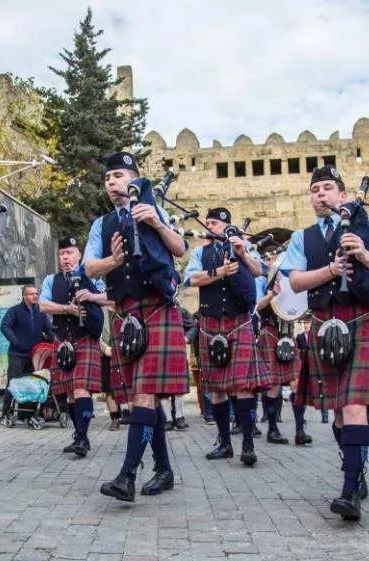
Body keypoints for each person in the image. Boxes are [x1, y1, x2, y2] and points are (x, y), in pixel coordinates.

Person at [281, 165, 369, 522]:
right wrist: (331, 271)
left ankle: (349, 491)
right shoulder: (303, 237)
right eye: (315, 190)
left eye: (328, 188)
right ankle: (355, 469)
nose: (321, 194)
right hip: (324, 323)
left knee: (356, 404)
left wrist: (361, 252)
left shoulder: (361, 227)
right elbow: (296, 283)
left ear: (342, 195)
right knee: (342, 412)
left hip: (360, 320)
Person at [84, 151, 190, 501]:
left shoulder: (153, 208)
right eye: (107, 177)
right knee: (144, 396)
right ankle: (163, 469)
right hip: (126, 314)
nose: (112, 182)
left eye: (118, 175)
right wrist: (113, 261)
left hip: (158, 307)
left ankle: (127, 475)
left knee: (144, 394)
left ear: (134, 179)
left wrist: (158, 224)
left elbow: (180, 248)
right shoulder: (102, 225)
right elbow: (88, 269)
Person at [184, 207, 268, 466]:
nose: (211, 227)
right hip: (210, 323)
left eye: (216, 223)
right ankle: (224, 442)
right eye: (208, 223)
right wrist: (220, 272)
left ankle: (248, 444)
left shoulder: (244, 247)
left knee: (242, 387)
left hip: (238, 321)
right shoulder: (200, 252)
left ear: (228, 226)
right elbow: (190, 280)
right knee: (217, 388)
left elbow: (258, 271)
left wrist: (243, 252)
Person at [39, 237, 110, 456]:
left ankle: (82, 437)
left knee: (80, 389)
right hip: (62, 340)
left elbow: (111, 298)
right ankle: (80, 436)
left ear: (79, 255)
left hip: (85, 338)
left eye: (69, 253)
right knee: (69, 392)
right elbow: (43, 305)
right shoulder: (52, 280)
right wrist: (67, 309)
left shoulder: (92, 275)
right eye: (62, 254)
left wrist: (91, 296)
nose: (65, 257)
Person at [255, 251, 309, 445]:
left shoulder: (291, 280)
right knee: (274, 385)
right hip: (269, 333)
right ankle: (272, 429)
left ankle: (300, 430)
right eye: (268, 258)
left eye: (274, 259)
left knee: (297, 383)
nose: (272, 262)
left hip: (288, 333)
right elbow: (255, 307)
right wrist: (270, 296)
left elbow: (300, 305)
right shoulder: (261, 281)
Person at [0, 283, 52, 426]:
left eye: (36, 293)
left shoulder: (41, 312)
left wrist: (55, 343)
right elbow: (4, 326)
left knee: (32, 386)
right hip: (17, 354)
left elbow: (49, 331)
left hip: (34, 356)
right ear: (24, 296)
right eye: (31, 293)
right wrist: (16, 342)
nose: (35, 296)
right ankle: (6, 414)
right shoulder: (15, 311)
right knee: (13, 384)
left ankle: (27, 416)